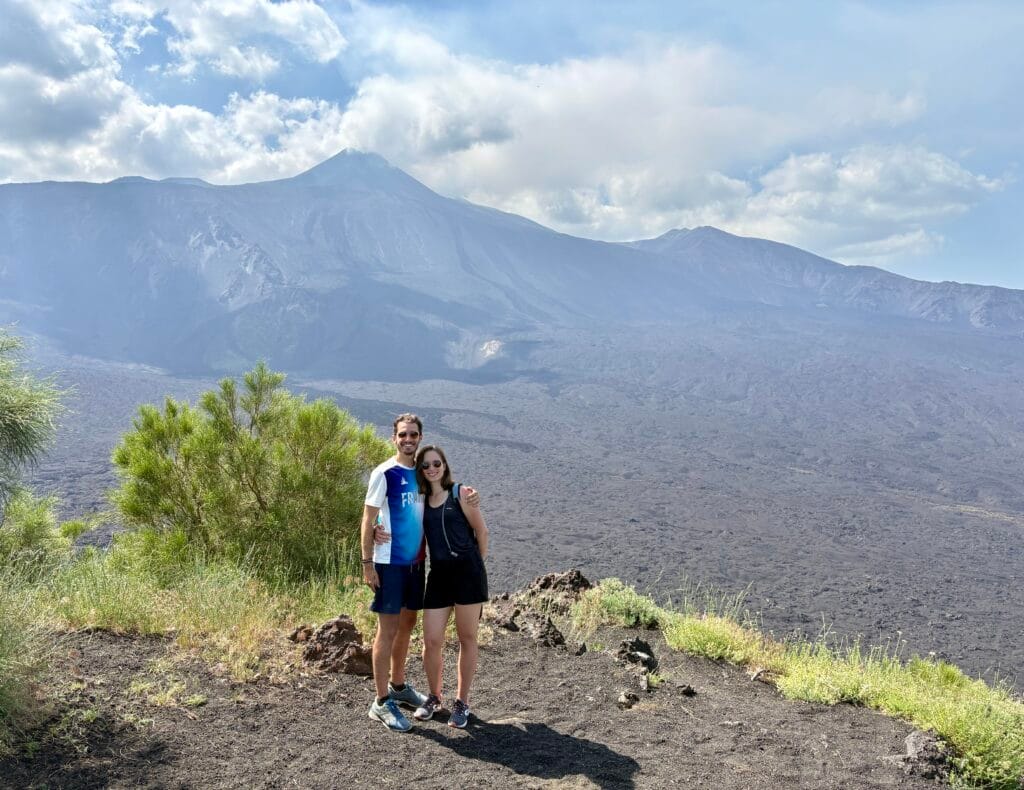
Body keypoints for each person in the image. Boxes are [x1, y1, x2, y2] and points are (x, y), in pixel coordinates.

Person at [360, 414, 479, 732]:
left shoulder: (424, 476)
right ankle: (381, 702)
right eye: (403, 435)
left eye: (413, 434)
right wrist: (367, 562)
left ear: (420, 436)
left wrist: (471, 495)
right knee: (387, 631)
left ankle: (399, 686)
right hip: (389, 564)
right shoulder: (384, 473)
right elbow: (368, 516)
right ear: (394, 438)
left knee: (407, 625)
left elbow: (446, 499)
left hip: (417, 565)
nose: (408, 439)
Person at [410, 444, 489, 729]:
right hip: (439, 575)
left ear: (444, 466)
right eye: (426, 465)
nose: (432, 469)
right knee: (431, 640)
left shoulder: (461, 494)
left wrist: (474, 566)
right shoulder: (420, 500)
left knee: (466, 638)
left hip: (467, 574)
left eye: (436, 463)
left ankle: (462, 702)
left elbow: (481, 532)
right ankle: (434, 696)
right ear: (421, 470)